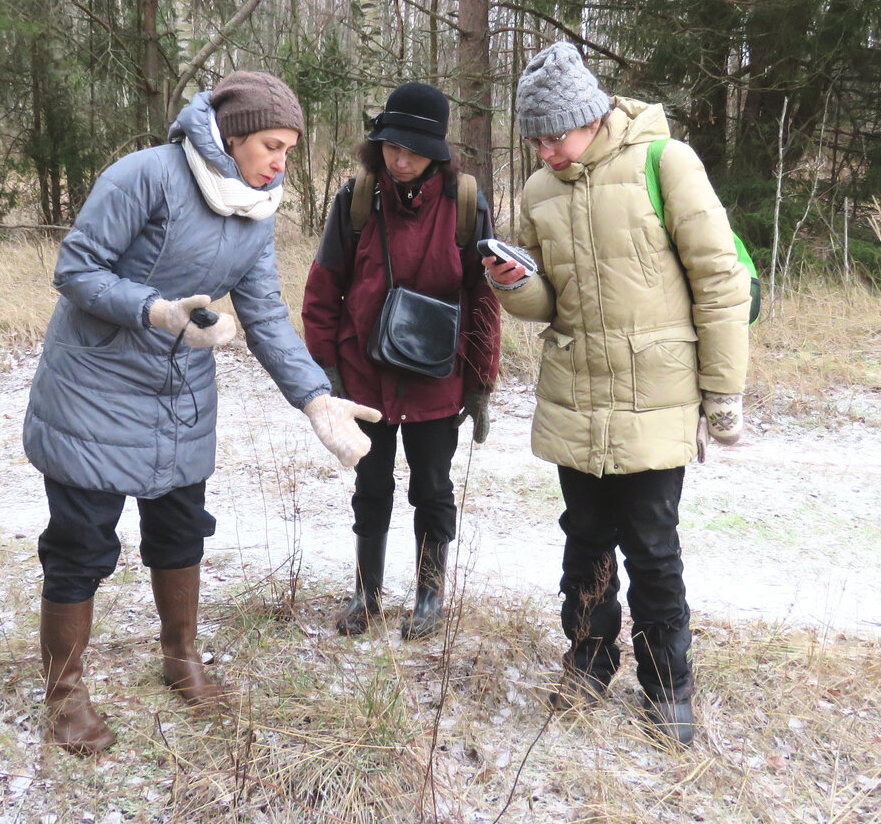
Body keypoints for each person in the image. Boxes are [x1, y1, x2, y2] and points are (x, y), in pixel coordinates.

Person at [23, 71, 381, 755]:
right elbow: (76, 269)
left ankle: (179, 656)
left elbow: (266, 311)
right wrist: (156, 311)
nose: (281, 163)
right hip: (94, 387)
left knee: (182, 527)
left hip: (180, 392)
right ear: (234, 135)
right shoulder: (146, 177)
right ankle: (64, 694)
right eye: (273, 145)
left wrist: (313, 395)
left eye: (290, 151)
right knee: (81, 544)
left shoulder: (257, 205)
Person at [483, 40, 749, 747]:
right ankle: (588, 662)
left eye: (554, 135)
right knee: (585, 542)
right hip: (577, 394)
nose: (545, 151)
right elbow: (551, 303)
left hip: (657, 396)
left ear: (592, 116)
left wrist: (723, 391)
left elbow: (721, 279)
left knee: (653, 548)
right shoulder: (541, 193)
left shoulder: (667, 163)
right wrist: (515, 285)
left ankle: (668, 687)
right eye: (533, 139)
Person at [302, 82, 501, 641]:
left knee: (433, 487)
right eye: (392, 147)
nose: (402, 159)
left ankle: (429, 597)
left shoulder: (466, 206)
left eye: (414, 150)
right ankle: (366, 594)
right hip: (363, 376)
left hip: (437, 378)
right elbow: (323, 291)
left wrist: (481, 383)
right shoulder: (357, 199)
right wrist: (328, 373)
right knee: (371, 483)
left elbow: (484, 299)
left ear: (436, 152)